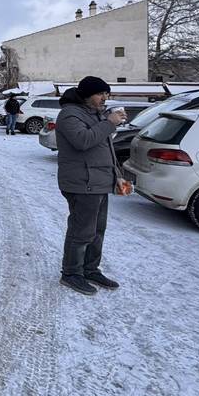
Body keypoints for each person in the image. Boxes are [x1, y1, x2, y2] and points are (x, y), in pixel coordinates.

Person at [56, 76, 127, 295]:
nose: (104, 98)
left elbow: (105, 148)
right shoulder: (69, 114)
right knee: (82, 230)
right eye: (100, 94)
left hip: (99, 182)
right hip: (81, 182)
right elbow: (83, 141)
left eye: (107, 94)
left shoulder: (95, 114)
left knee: (97, 230)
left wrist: (118, 175)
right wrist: (109, 123)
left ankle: (90, 269)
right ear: (86, 95)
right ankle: (71, 273)